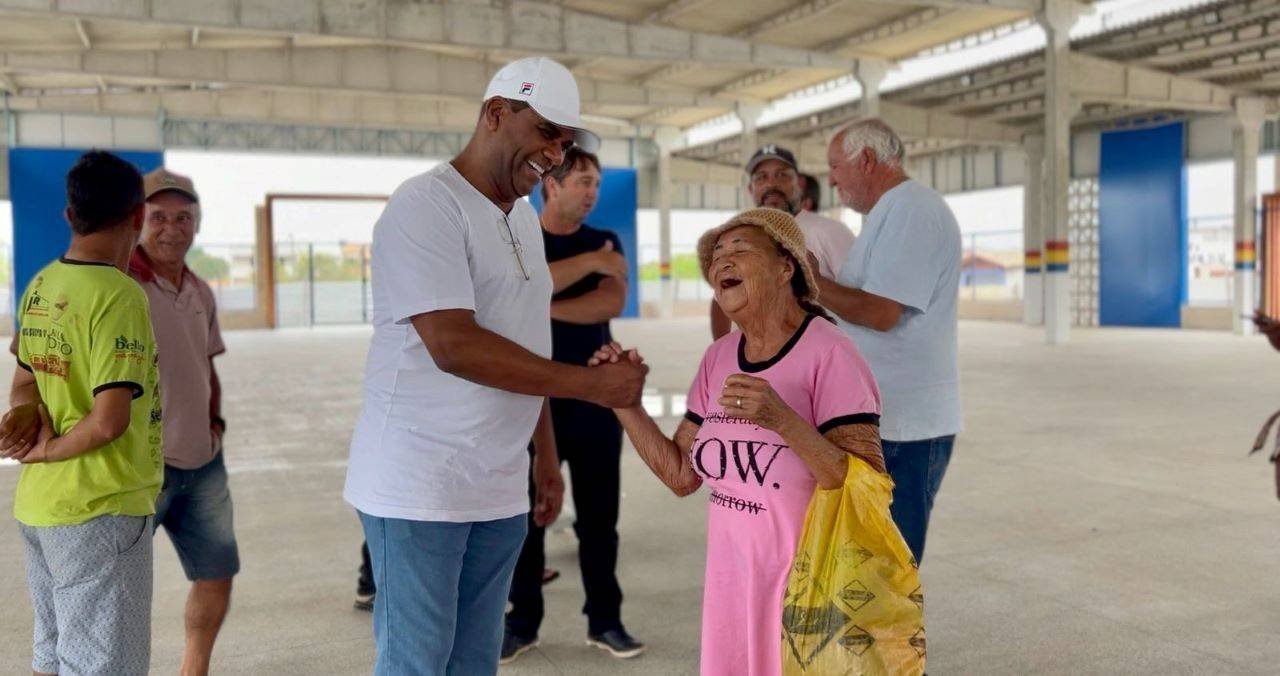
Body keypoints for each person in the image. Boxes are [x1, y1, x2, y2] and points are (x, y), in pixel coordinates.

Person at [343, 55, 647, 676]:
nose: (555, 155)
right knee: (417, 662)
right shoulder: (427, 204)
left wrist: (543, 457)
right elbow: (453, 343)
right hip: (420, 486)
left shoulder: (522, 221)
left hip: (498, 486)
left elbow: (527, 349)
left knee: (474, 661)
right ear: (495, 113)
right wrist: (591, 386)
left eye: (565, 143)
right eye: (546, 133)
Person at [592, 207, 893, 675]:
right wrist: (625, 402)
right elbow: (682, 476)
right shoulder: (719, 357)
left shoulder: (830, 352)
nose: (722, 262)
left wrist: (784, 421)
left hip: (808, 584)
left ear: (785, 267)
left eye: (740, 248)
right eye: (716, 256)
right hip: (731, 584)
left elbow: (868, 486)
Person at [0, 150, 163, 676]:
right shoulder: (119, 296)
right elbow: (110, 420)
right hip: (99, 506)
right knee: (101, 665)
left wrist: (30, 426)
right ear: (138, 215)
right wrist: (49, 450)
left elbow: (23, 386)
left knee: (53, 655)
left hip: (41, 509)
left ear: (70, 215)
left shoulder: (42, 285)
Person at [502, 148, 644, 664]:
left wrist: (538, 304)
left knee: (600, 520)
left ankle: (605, 621)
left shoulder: (605, 240)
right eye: (583, 181)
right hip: (532, 398)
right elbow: (512, 293)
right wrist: (586, 266)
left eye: (597, 184)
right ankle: (521, 622)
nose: (592, 193)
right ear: (553, 185)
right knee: (526, 517)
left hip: (595, 399)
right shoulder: (522, 240)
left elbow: (610, 302)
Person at [815, 118, 962, 562]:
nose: (831, 180)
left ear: (866, 159)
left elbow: (881, 313)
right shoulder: (888, 214)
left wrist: (812, 281)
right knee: (869, 564)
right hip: (886, 419)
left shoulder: (912, 210)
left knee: (889, 566)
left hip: (906, 426)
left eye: (835, 166)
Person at [128, 168, 239, 676]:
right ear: (137, 220)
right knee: (119, 592)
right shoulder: (121, 284)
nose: (172, 229)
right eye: (159, 217)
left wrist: (214, 425)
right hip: (138, 471)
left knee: (216, 575)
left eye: (183, 218)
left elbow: (205, 365)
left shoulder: (199, 290)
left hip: (203, 462)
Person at [710, 145, 855, 339]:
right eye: (761, 177)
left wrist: (813, 282)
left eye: (782, 175)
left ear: (800, 183)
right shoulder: (740, 238)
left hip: (820, 353)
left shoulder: (829, 231)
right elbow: (720, 298)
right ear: (751, 189)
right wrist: (722, 349)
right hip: (760, 356)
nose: (771, 184)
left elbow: (863, 304)